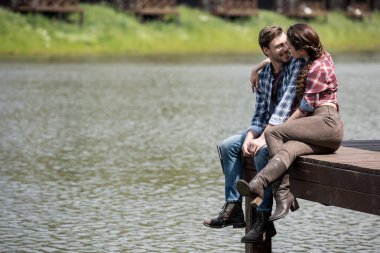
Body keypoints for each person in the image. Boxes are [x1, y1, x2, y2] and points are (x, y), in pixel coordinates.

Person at [202, 25, 305, 243]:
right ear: (266, 50)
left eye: (286, 43)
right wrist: (250, 136)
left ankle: (263, 217)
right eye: (279, 46)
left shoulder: (295, 65)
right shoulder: (265, 75)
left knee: (261, 154)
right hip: (266, 130)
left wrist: (261, 139)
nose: (286, 48)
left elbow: (283, 110)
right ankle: (233, 207)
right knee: (228, 146)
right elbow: (259, 115)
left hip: (289, 130)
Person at [237, 23, 344, 224]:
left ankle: (278, 192)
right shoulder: (314, 58)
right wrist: (258, 67)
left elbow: (304, 108)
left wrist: (280, 128)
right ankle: (274, 191)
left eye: (290, 47)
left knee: (273, 134)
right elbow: (275, 57)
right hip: (318, 130)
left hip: (326, 122)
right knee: (288, 150)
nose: (287, 50)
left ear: (301, 50)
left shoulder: (318, 67)